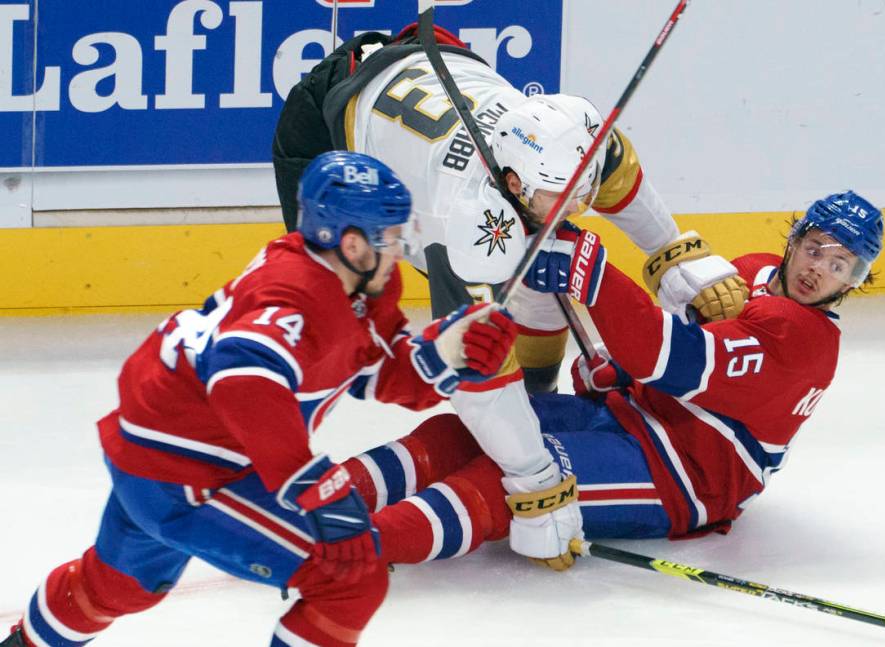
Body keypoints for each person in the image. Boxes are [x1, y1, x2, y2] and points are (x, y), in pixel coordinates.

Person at [272, 23, 748, 570]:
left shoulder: (569, 144)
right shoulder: (466, 222)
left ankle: (534, 400)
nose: (580, 206)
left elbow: (615, 172)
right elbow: (476, 376)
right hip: (332, 116)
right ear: (515, 185)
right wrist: (537, 484)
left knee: (531, 265)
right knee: (330, 308)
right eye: (562, 196)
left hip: (433, 59)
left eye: (584, 188)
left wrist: (671, 252)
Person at [1, 151, 518, 647]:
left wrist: (448, 355)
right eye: (388, 236)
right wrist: (317, 488)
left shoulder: (360, 285)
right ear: (352, 243)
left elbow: (377, 370)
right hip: (190, 470)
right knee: (350, 580)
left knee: (117, 585)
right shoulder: (297, 291)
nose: (399, 247)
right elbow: (241, 375)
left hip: (160, 445)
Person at [311, 191, 884, 565]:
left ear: (855, 280)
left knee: (516, 477)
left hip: (687, 475)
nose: (818, 270)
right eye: (815, 249)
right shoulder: (754, 271)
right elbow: (669, 353)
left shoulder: (804, 340)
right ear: (794, 240)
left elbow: (667, 355)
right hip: (639, 418)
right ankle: (320, 499)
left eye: (840, 265)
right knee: (468, 432)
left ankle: (357, 551)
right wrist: (616, 371)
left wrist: (593, 273)